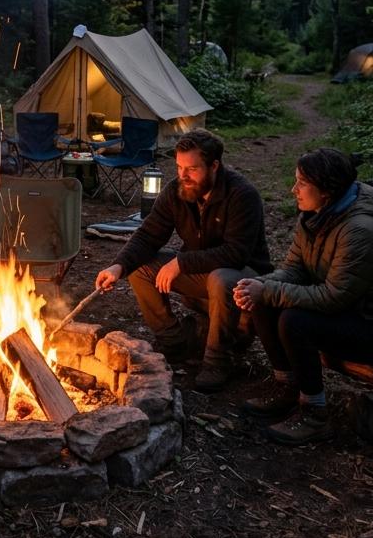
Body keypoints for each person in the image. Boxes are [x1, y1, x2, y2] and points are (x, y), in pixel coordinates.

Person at [233, 148, 373, 445]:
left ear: (328, 191)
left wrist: (267, 289)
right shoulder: (314, 217)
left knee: (294, 321)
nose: (294, 190)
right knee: (264, 302)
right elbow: (293, 269)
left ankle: (315, 414)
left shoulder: (361, 231)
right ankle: (288, 388)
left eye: (302, 183)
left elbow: (334, 298)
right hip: (349, 315)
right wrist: (258, 286)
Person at [95, 128, 273, 393]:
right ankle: (174, 342)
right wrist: (118, 266)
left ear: (214, 165)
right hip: (203, 276)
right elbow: (148, 235)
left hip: (245, 279)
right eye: (179, 167)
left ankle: (217, 361)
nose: (183, 176)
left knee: (221, 277)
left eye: (192, 169)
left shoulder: (241, 195)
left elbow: (236, 253)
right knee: (140, 267)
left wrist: (181, 263)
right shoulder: (177, 191)